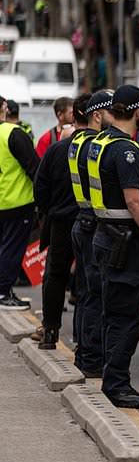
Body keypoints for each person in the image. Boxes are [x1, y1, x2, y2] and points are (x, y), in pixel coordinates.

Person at [86, 85, 139, 409]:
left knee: (111, 313)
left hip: (104, 235)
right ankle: (117, 384)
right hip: (124, 242)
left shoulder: (99, 143)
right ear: (137, 111)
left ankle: (112, 377)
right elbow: (135, 200)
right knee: (126, 317)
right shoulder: (125, 151)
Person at [32, 94, 91, 348]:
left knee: (56, 275)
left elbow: (39, 187)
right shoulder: (95, 148)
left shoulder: (57, 148)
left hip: (60, 221)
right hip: (87, 221)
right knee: (85, 280)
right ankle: (83, 340)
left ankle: (50, 331)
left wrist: (49, 211)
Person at [68, 90, 113, 376]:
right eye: (111, 111)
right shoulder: (93, 146)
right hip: (92, 222)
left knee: (86, 293)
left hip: (81, 219)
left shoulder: (77, 142)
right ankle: (92, 357)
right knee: (95, 294)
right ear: (96, 115)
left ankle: (85, 353)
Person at [0, 94, 38, 309]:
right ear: (4, 107)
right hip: (16, 201)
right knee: (12, 250)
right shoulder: (13, 133)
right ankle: (3, 293)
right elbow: (34, 167)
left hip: (3, 199)